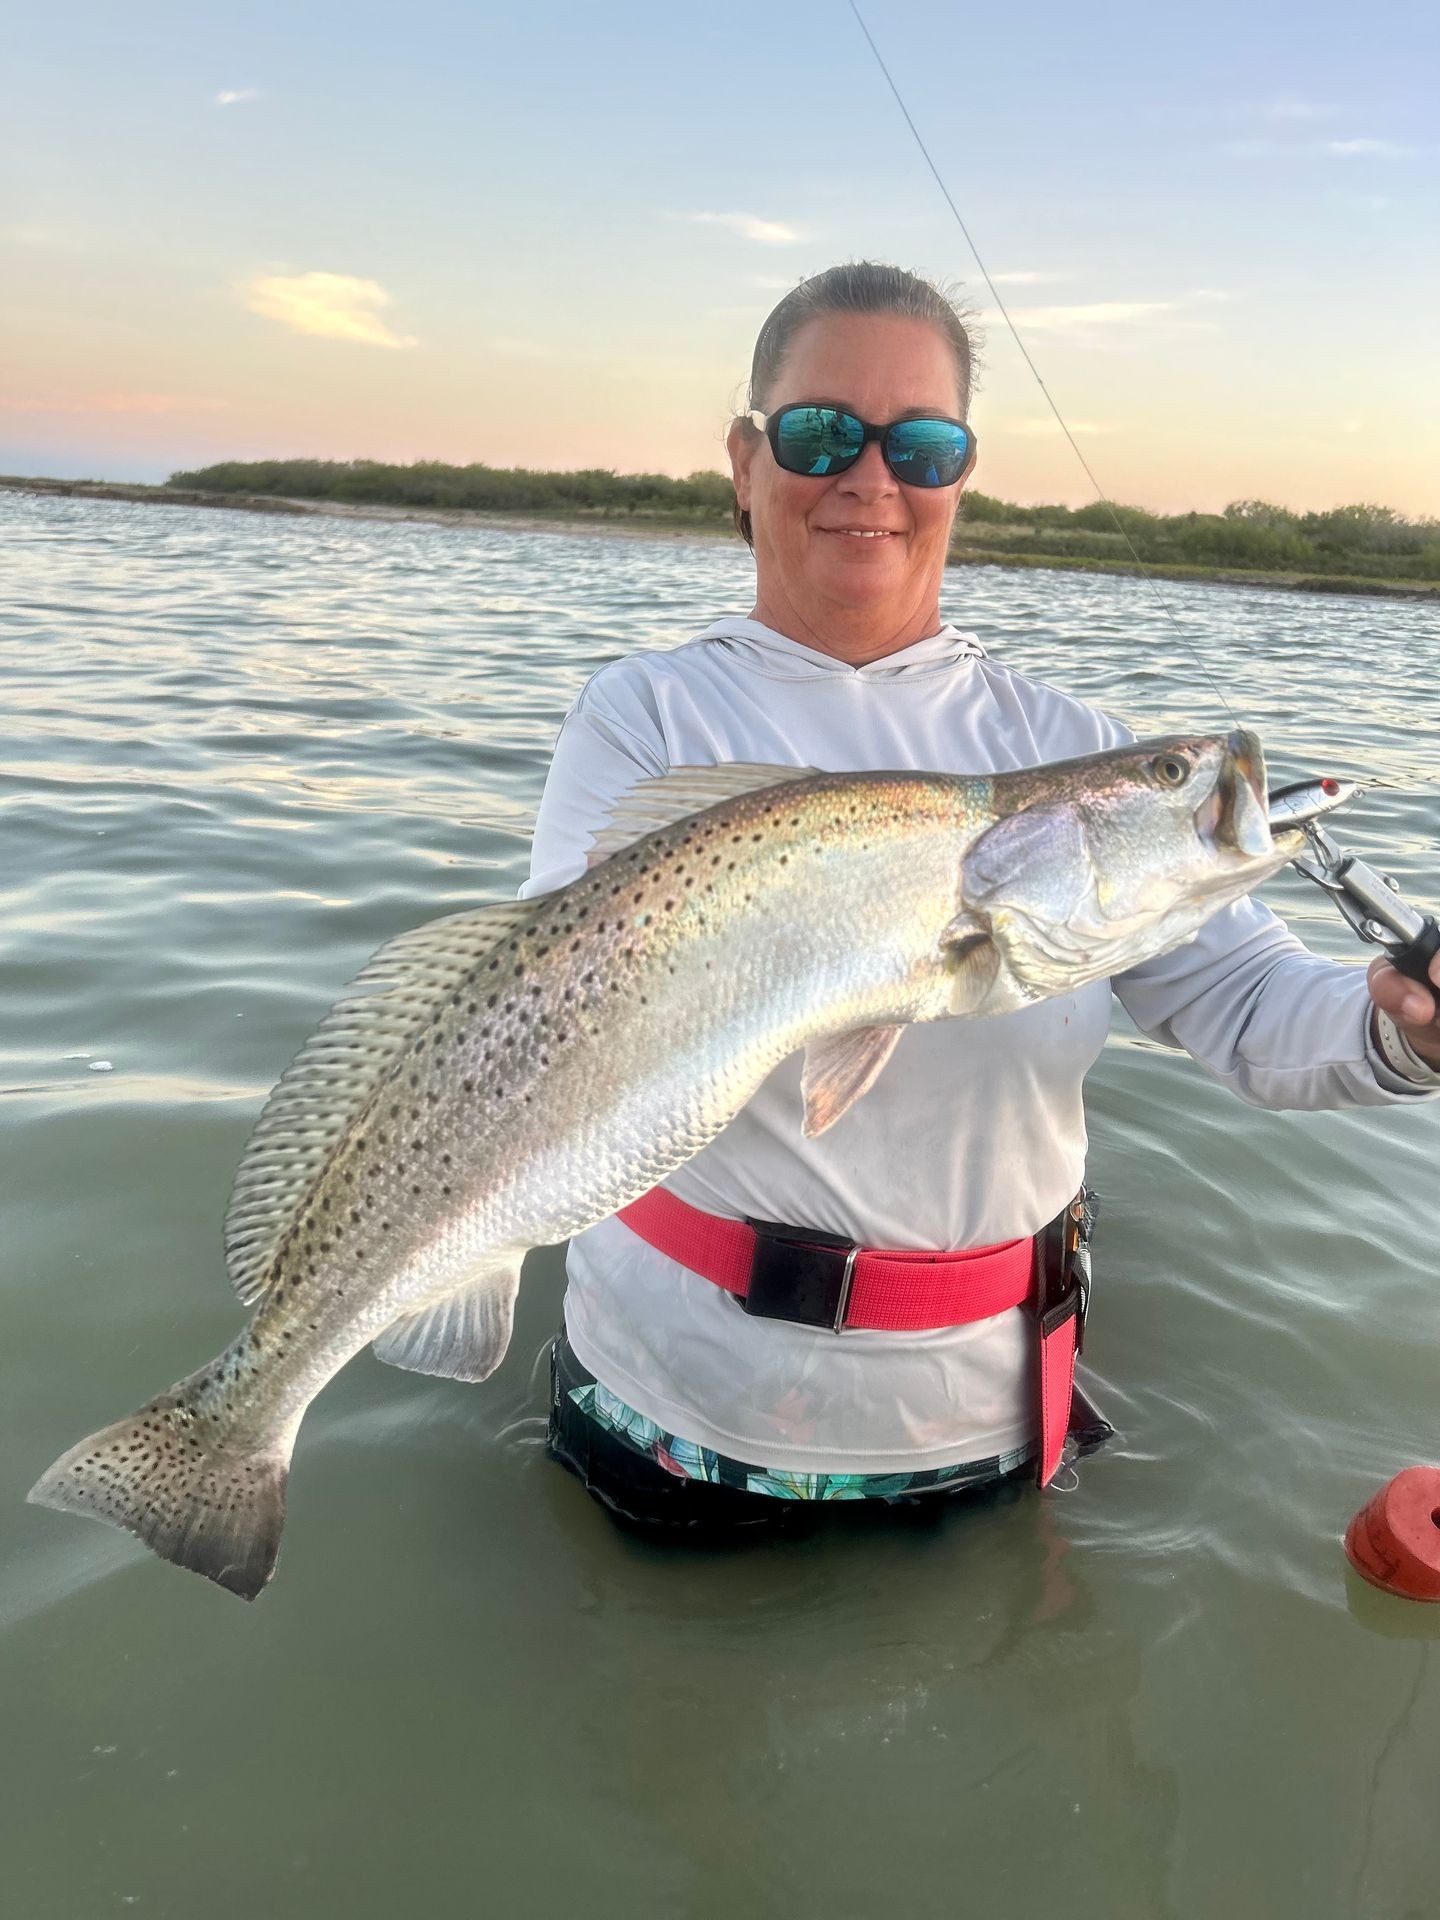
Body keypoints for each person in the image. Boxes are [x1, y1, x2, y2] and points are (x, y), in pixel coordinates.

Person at [522, 261, 1440, 1536]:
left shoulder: (1064, 739)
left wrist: (1405, 1025)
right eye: (821, 432)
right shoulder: (648, 717)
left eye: (923, 444)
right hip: (682, 1416)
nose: (870, 477)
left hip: (993, 1423)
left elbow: (1251, 1002)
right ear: (745, 460)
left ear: (964, 472)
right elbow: (546, 1018)